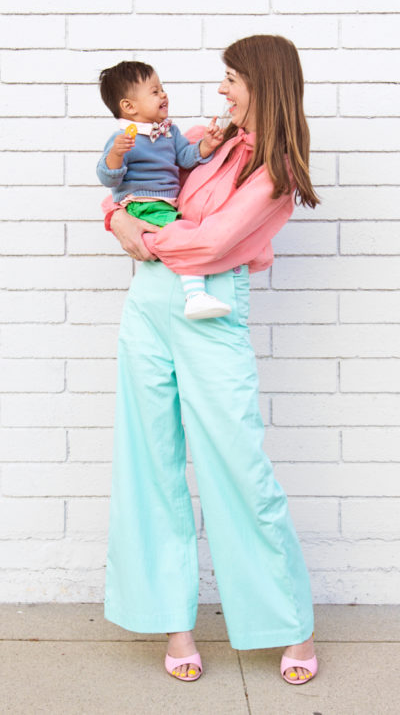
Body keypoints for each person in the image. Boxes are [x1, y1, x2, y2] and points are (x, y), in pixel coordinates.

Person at [102, 35, 320, 686]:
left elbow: (212, 244)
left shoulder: (275, 170)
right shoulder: (204, 138)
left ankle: (291, 624)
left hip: (211, 312)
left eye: (232, 79)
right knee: (150, 462)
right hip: (148, 308)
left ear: (262, 83)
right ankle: (175, 624)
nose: (221, 89)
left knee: (239, 469)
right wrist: (118, 215)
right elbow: (138, 184)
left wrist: (134, 230)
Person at [96, 60, 231, 320]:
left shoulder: (170, 132)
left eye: (162, 88)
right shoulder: (124, 139)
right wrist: (115, 154)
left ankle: (190, 290)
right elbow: (108, 178)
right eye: (155, 91)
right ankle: (195, 295)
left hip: (164, 204)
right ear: (129, 106)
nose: (163, 94)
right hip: (142, 203)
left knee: (179, 234)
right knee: (184, 236)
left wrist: (207, 145)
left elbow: (186, 157)